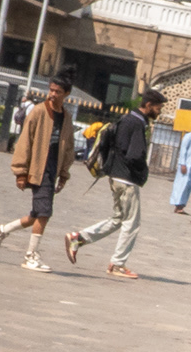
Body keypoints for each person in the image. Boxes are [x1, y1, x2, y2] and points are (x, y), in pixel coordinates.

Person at [67, 87, 164, 279]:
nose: (159, 112)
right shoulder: (137, 124)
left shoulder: (126, 119)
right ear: (149, 105)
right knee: (132, 223)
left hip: (116, 176)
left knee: (118, 219)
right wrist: (142, 171)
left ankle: (79, 238)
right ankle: (118, 263)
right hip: (126, 179)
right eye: (158, 107)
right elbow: (135, 154)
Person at [0, 70, 76, 272]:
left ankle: (0, 231)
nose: (52, 94)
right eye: (51, 90)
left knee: (37, 214)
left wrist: (64, 173)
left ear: (66, 94)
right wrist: (20, 171)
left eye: (57, 91)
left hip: (53, 169)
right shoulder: (38, 111)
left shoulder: (66, 117)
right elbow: (24, 141)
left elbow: (67, 146)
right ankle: (31, 255)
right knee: (44, 213)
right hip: (38, 168)